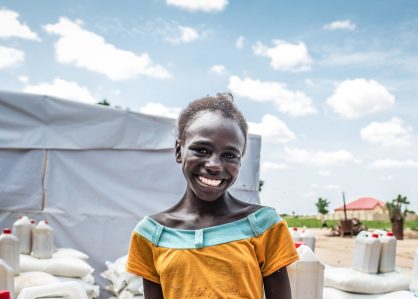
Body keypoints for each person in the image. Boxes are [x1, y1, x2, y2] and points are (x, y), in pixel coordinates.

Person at [126, 94, 299, 299]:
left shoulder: (264, 226)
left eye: (229, 155)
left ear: (240, 161)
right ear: (179, 151)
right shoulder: (152, 234)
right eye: (202, 150)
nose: (214, 165)